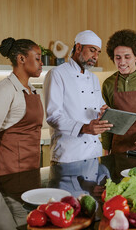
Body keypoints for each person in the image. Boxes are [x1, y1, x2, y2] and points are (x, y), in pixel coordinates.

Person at [44, 30, 112, 163]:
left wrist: (104, 112)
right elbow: (53, 117)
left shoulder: (93, 78)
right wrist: (84, 128)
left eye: (98, 52)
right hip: (68, 155)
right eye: (92, 50)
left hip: (92, 154)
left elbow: (99, 106)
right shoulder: (57, 74)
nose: (95, 56)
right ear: (79, 47)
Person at [0, 37, 44, 177]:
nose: (42, 64)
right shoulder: (5, 89)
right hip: (8, 174)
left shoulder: (32, 90)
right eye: (38, 59)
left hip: (31, 171)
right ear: (21, 59)